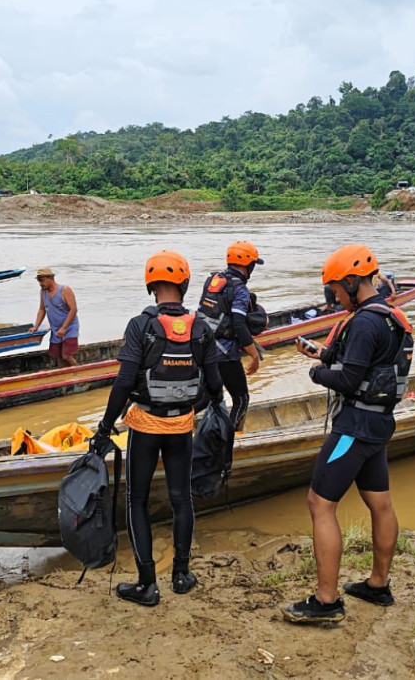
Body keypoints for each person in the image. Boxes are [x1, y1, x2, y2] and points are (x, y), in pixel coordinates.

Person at [283, 244, 413, 625]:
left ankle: (326, 601)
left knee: (320, 504)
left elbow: (349, 379)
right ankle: (378, 585)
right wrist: (322, 354)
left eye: (337, 289)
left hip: (353, 428)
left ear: (353, 282)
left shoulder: (363, 323)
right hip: (379, 425)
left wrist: (316, 374)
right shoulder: (389, 317)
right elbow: (366, 363)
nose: (335, 297)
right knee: (380, 503)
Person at [91, 250, 224, 606]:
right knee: (182, 498)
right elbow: (215, 385)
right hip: (181, 427)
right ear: (185, 284)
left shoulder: (140, 326)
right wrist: (204, 405)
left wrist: (104, 428)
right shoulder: (200, 328)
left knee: (137, 500)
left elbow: (123, 383)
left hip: (145, 427)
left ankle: (147, 584)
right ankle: (181, 574)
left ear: (151, 286)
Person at [197, 241, 263, 431]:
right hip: (225, 354)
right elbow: (238, 324)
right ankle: (232, 439)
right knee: (241, 399)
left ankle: (172, 425)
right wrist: (254, 355)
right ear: (248, 265)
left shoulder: (213, 280)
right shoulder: (239, 289)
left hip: (203, 348)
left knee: (206, 397)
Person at [34, 267, 79, 367]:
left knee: (66, 355)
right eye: (39, 281)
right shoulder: (43, 292)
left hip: (69, 328)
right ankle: (64, 375)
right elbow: (42, 309)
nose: (41, 283)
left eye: (42, 280)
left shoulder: (64, 290)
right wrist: (36, 326)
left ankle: (79, 372)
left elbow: (73, 309)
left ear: (50, 278)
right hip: (55, 329)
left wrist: (64, 328)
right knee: (59, 357)